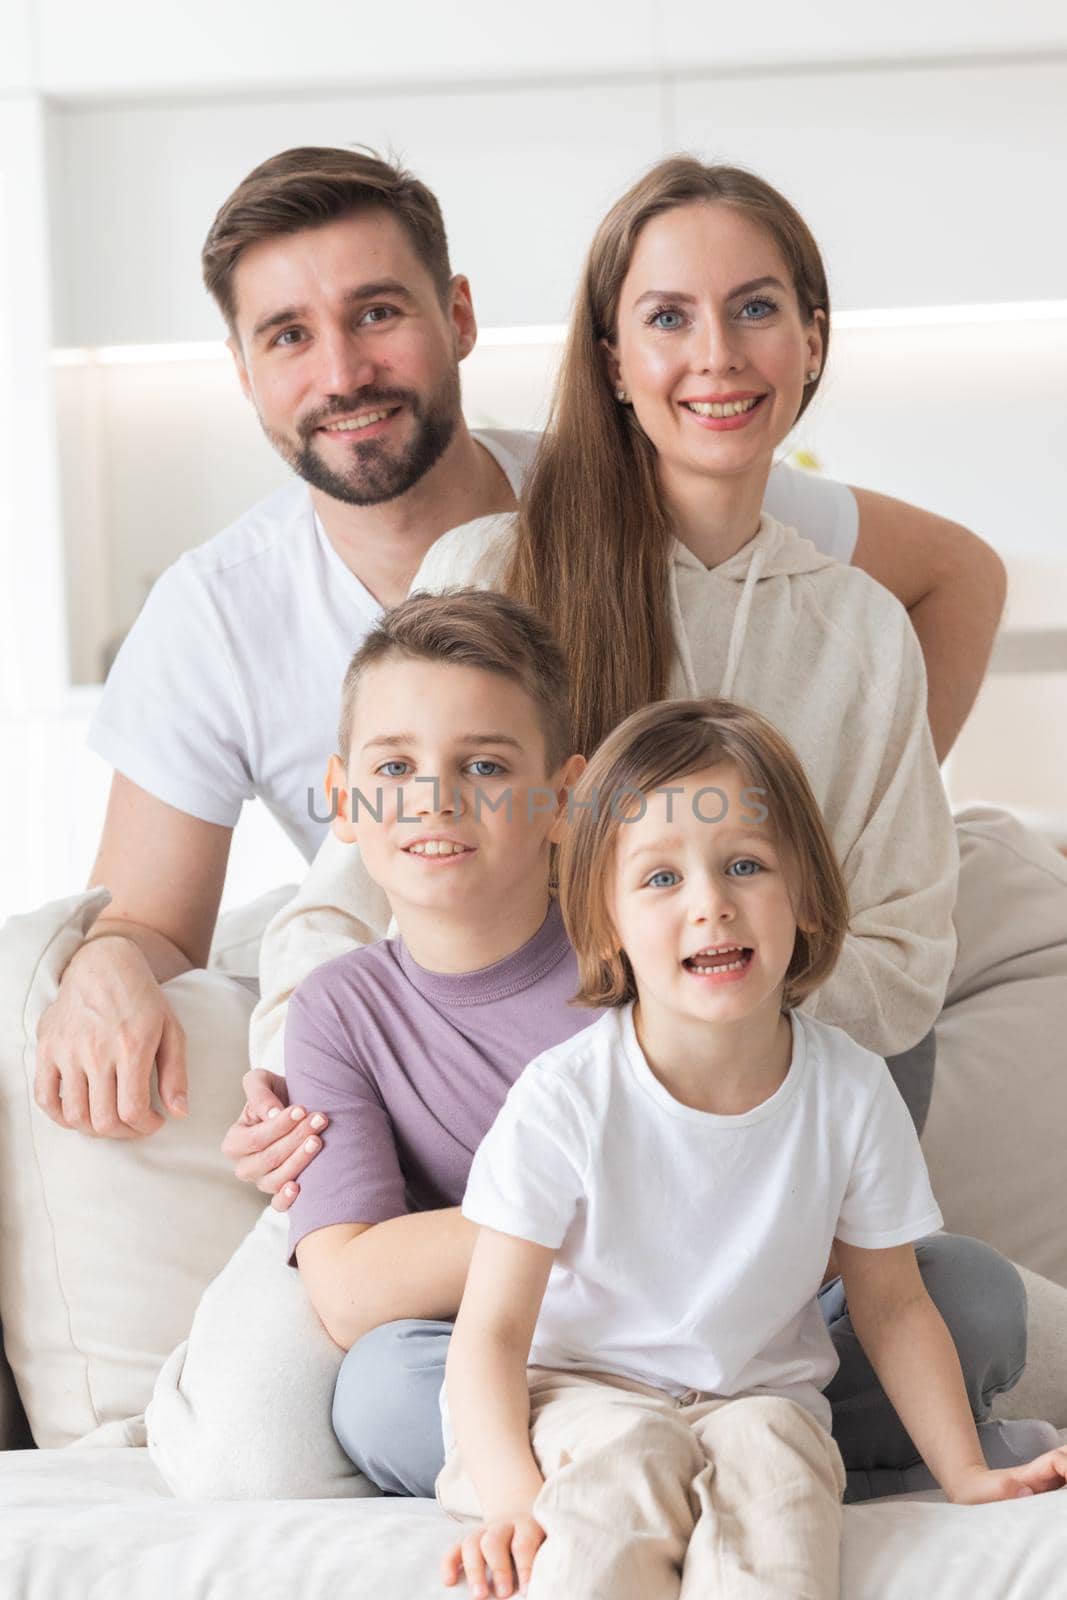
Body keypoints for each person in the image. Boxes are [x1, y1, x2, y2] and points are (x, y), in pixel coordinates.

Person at [32, 145, 1006, 1143]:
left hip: (765, 1124)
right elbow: (326, 902)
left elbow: (940, 583)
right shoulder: (438, 574)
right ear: (613, 358)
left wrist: (817, 832)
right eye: (666, 316)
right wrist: (287, 1078)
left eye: (377, 311)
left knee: (968, 1298)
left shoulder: (797, 564)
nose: (714, 356)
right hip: (505, 1109)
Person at [268, 590, 1043, 1512]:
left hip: (750, 1338)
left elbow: (821, 1221)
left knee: (973, 1296)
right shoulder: (337, 1010)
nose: (436, 798)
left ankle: (725, 1459)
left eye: (482, 764)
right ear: (343, 798)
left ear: (564, 797)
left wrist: (694, 1200)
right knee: (382, 1391)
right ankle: (707, 1465)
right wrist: (590, 1203)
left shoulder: (666, 947)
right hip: (541, 1354)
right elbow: (353, 1293)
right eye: (395, 767)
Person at [436, 698, 1067, 1600]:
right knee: (634, 1456)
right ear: (604, 917)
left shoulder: (848, 1090)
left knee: (776, 1456)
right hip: (574, 1395)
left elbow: (890, 1307)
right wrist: (512, 1500)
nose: (711, 906)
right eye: (659, 880)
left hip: (758, 1402)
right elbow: (491, 1333)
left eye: (744, 865)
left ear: (804, 896)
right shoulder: (564, 1097)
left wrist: (966, 1474)